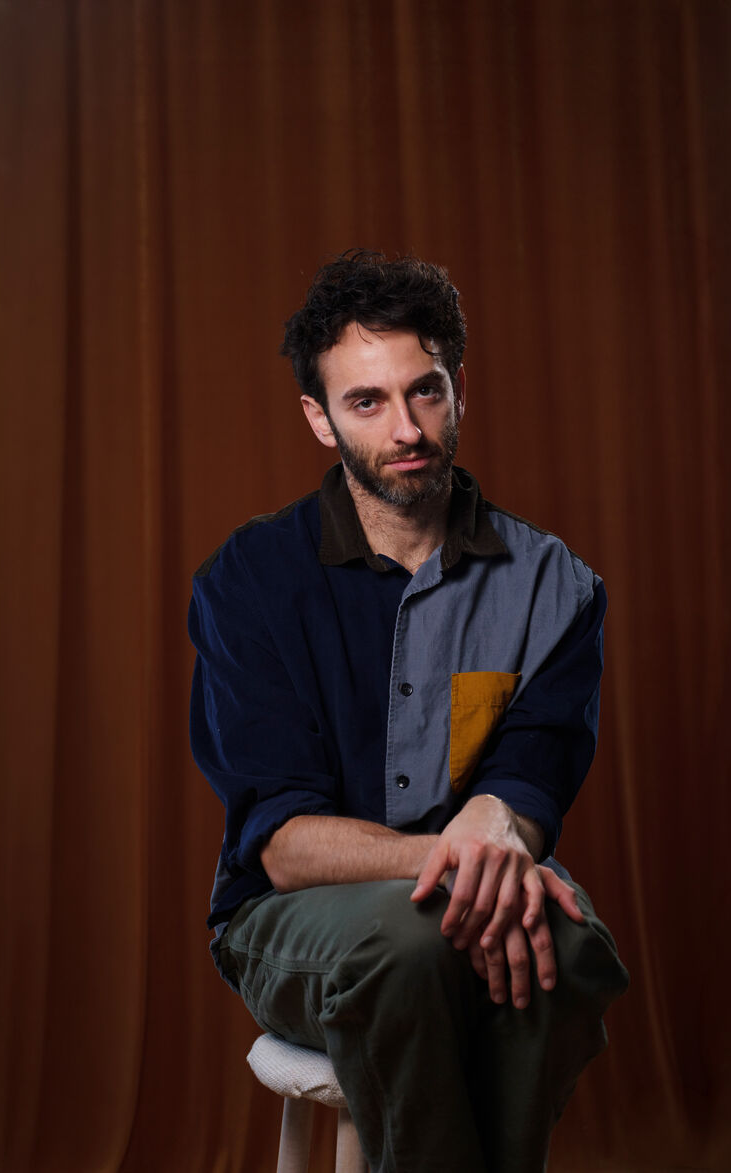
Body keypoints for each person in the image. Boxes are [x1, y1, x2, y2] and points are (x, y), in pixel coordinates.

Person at [189, 251, 628, 1173]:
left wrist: (492, 819)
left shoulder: (558, 586)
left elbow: (532, 778)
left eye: (424, 393)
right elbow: (282, 842)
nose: (407, 428)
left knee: (572, 941)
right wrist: (456, 853)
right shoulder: (250, 581)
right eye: (367, 401)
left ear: (460, 389)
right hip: (290, 920)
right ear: (319, 417)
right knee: (414, 947)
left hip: (470, 896)